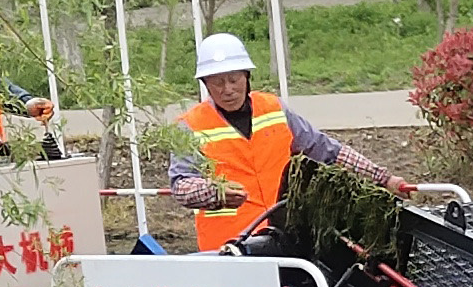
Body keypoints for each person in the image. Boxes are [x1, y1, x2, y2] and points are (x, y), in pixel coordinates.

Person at [169, 32, 412, 249]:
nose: (227, 89)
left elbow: (326, 150)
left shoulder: (274, 109)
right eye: (217, 82)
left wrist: (383, 178)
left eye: (234, 79)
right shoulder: (189, 126)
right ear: (205, 84)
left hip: (282, 238)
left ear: (247, 76)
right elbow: (181, 185)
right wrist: (215, 192)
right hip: (229, 248)